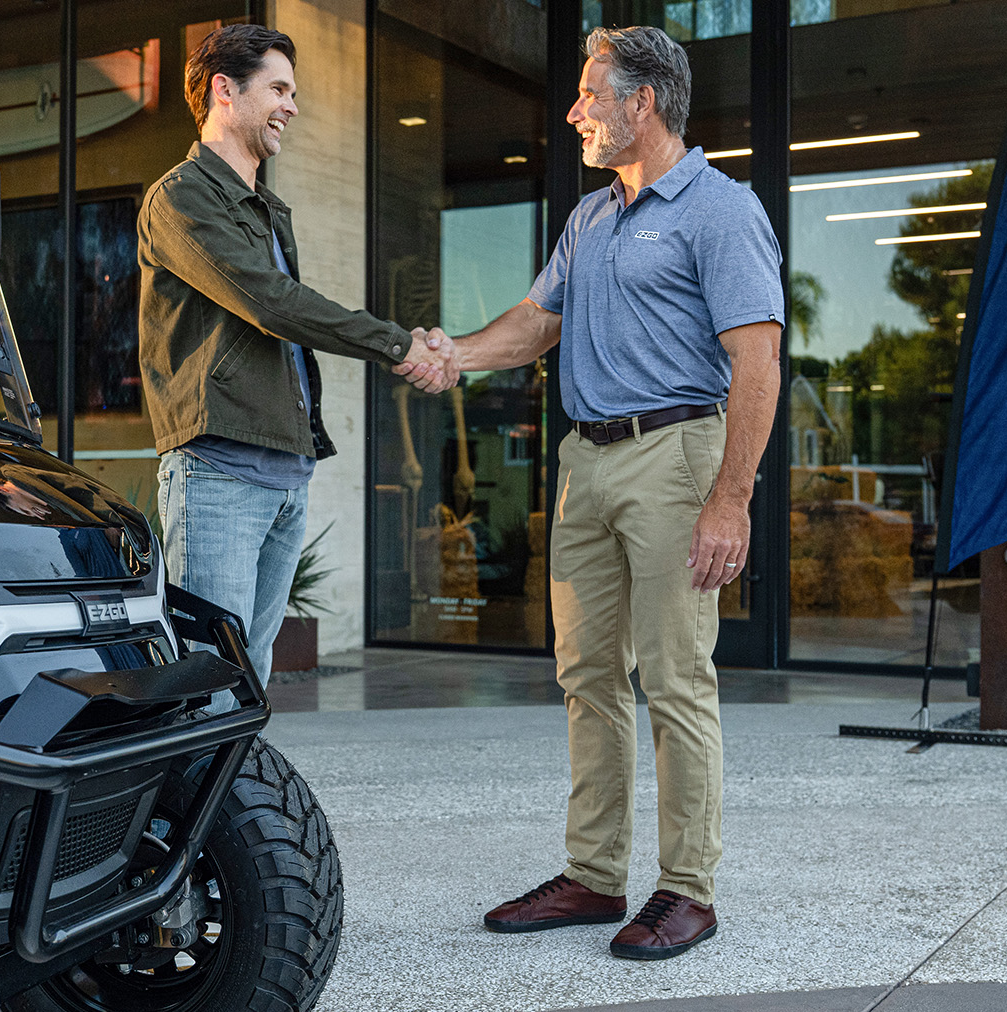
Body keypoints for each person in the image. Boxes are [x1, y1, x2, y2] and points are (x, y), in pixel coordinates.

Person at [406, 25, 783, 960]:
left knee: (675, 676)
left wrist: (730, 499)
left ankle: (688, 888)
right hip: (588, 464)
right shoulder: (591, 218)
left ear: (641, 102)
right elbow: (536, 326)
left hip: (675, 455)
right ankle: (593, 875)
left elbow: (758, 360)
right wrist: (454, 355)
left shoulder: (719, 210)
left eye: (588, 95)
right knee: (586, 679)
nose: (575, 111)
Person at [139, 24, 453, 692]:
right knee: (205, 682)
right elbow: (273, 303)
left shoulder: (267, 209)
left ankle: (245, 800)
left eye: (293, 90)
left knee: (249, 681)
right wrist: (396, 344)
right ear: (224, 90)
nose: (293, 105)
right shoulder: (182, 196)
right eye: (278, 88)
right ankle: (189, 801)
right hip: (219, 472)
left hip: (284, 472)